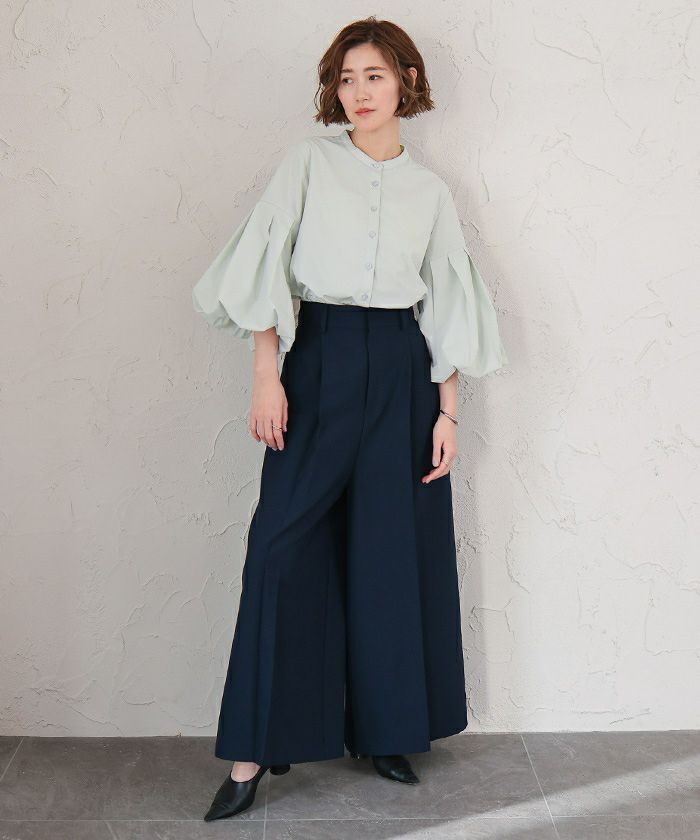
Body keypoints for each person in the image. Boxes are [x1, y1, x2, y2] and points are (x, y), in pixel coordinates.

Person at [192, 16, 509, 823]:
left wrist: (448, 412)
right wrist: (267, 377)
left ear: (406, 80)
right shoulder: (307, 164)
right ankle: (252, 753)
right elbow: (267, 268)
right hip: (320, 360)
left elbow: (447, 304)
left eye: (374, 75)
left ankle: (387, 731)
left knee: (388, 555)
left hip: (402, 371)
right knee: (278, 550)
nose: (358, 92)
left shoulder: (430, 192)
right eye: (345, 78)